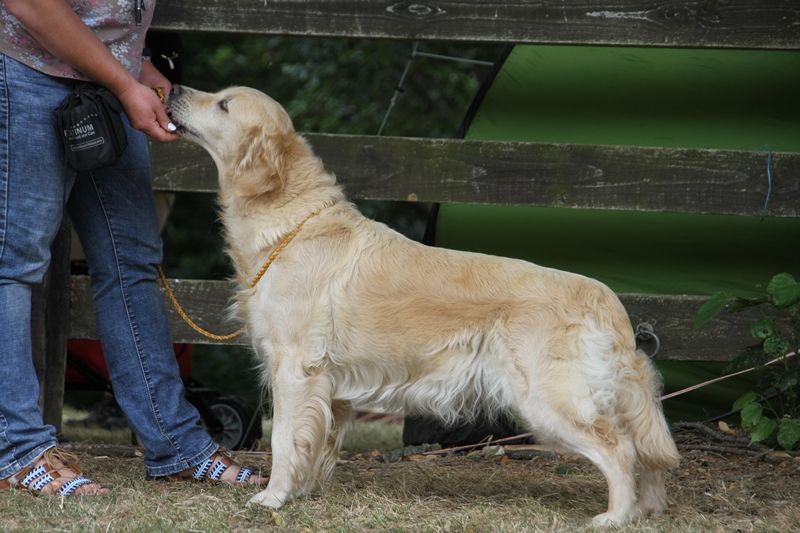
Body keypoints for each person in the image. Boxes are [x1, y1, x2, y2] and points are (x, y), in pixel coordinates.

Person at [0, 0, 267, 496]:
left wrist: (136, 68)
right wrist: (124, 83)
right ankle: (15, 450)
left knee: (133, 263)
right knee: (13, 263)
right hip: (26, 66)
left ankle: (176, 446)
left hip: (107, 78)